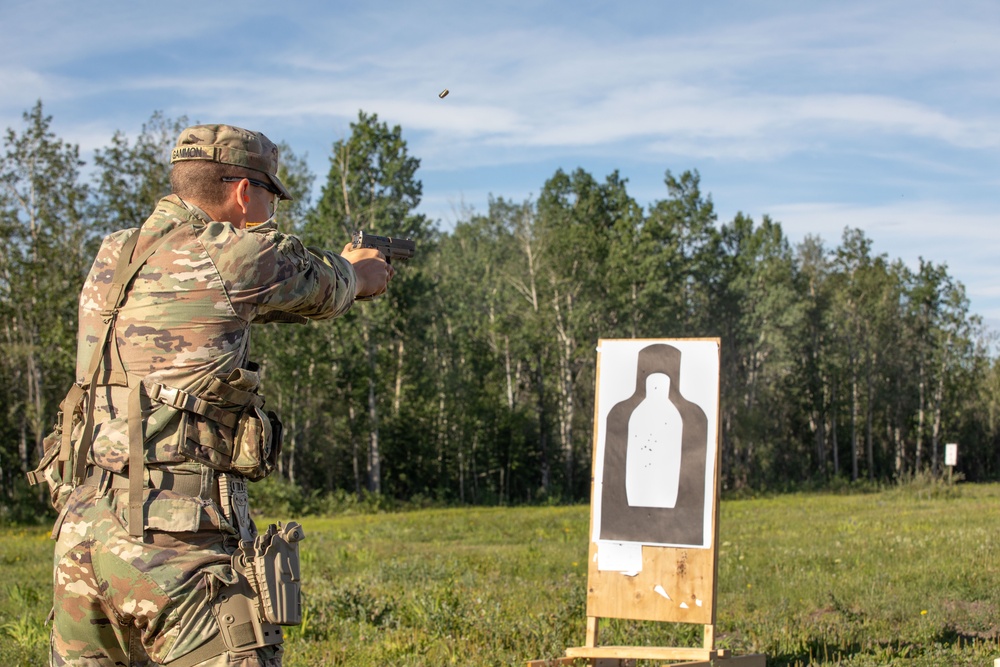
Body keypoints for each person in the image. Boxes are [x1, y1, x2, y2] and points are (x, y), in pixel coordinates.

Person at [36, 124, 392, 666]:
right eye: (270, 197)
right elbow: (333, 289)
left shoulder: (113, 255)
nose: (270, 212)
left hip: (83, 535)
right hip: (177, 545)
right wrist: (363, 270)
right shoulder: (232, 256)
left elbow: (213, 311)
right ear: (244, 192)